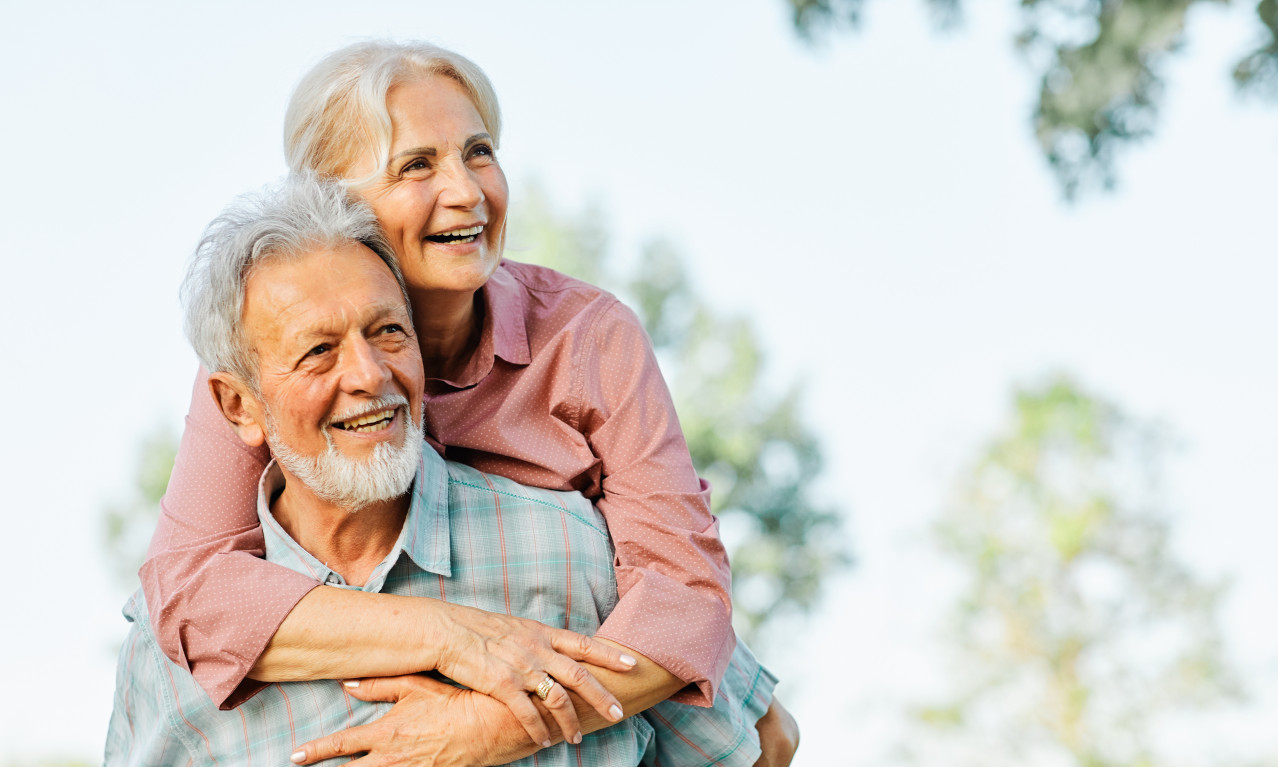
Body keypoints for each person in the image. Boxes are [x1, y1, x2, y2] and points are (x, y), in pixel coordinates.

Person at [142, 40, 798, 763]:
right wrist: (453, 637)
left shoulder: (586, 336)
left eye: (479, 152)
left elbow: (685, 596)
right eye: (416, 164)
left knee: (765, 731)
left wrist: (490, 728)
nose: (467, 192)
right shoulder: (271, 355)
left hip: (589, 615)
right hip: (452, 621)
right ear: (329, 200)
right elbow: (191, 591)